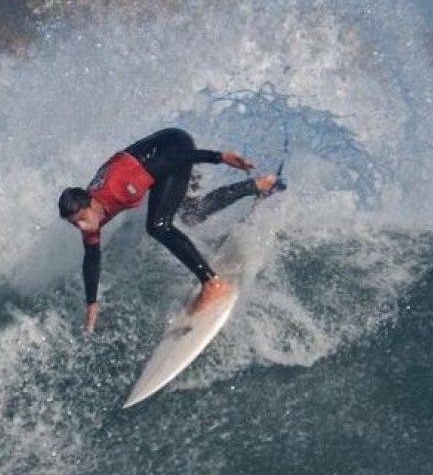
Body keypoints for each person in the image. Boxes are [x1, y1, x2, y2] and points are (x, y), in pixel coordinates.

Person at [58, 127, 282, 332]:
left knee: (158, 225)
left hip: (174, 148)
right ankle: (258, 185)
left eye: (82, 219)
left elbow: (171, 159)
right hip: (156, 163)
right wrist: (91, 302)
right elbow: (92, 256)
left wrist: (220, 157)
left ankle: (213, 284)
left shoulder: (120, 187)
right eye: (74, 223)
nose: (81, 227)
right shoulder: (89, 216)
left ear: (91, 203)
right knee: (192, 213)